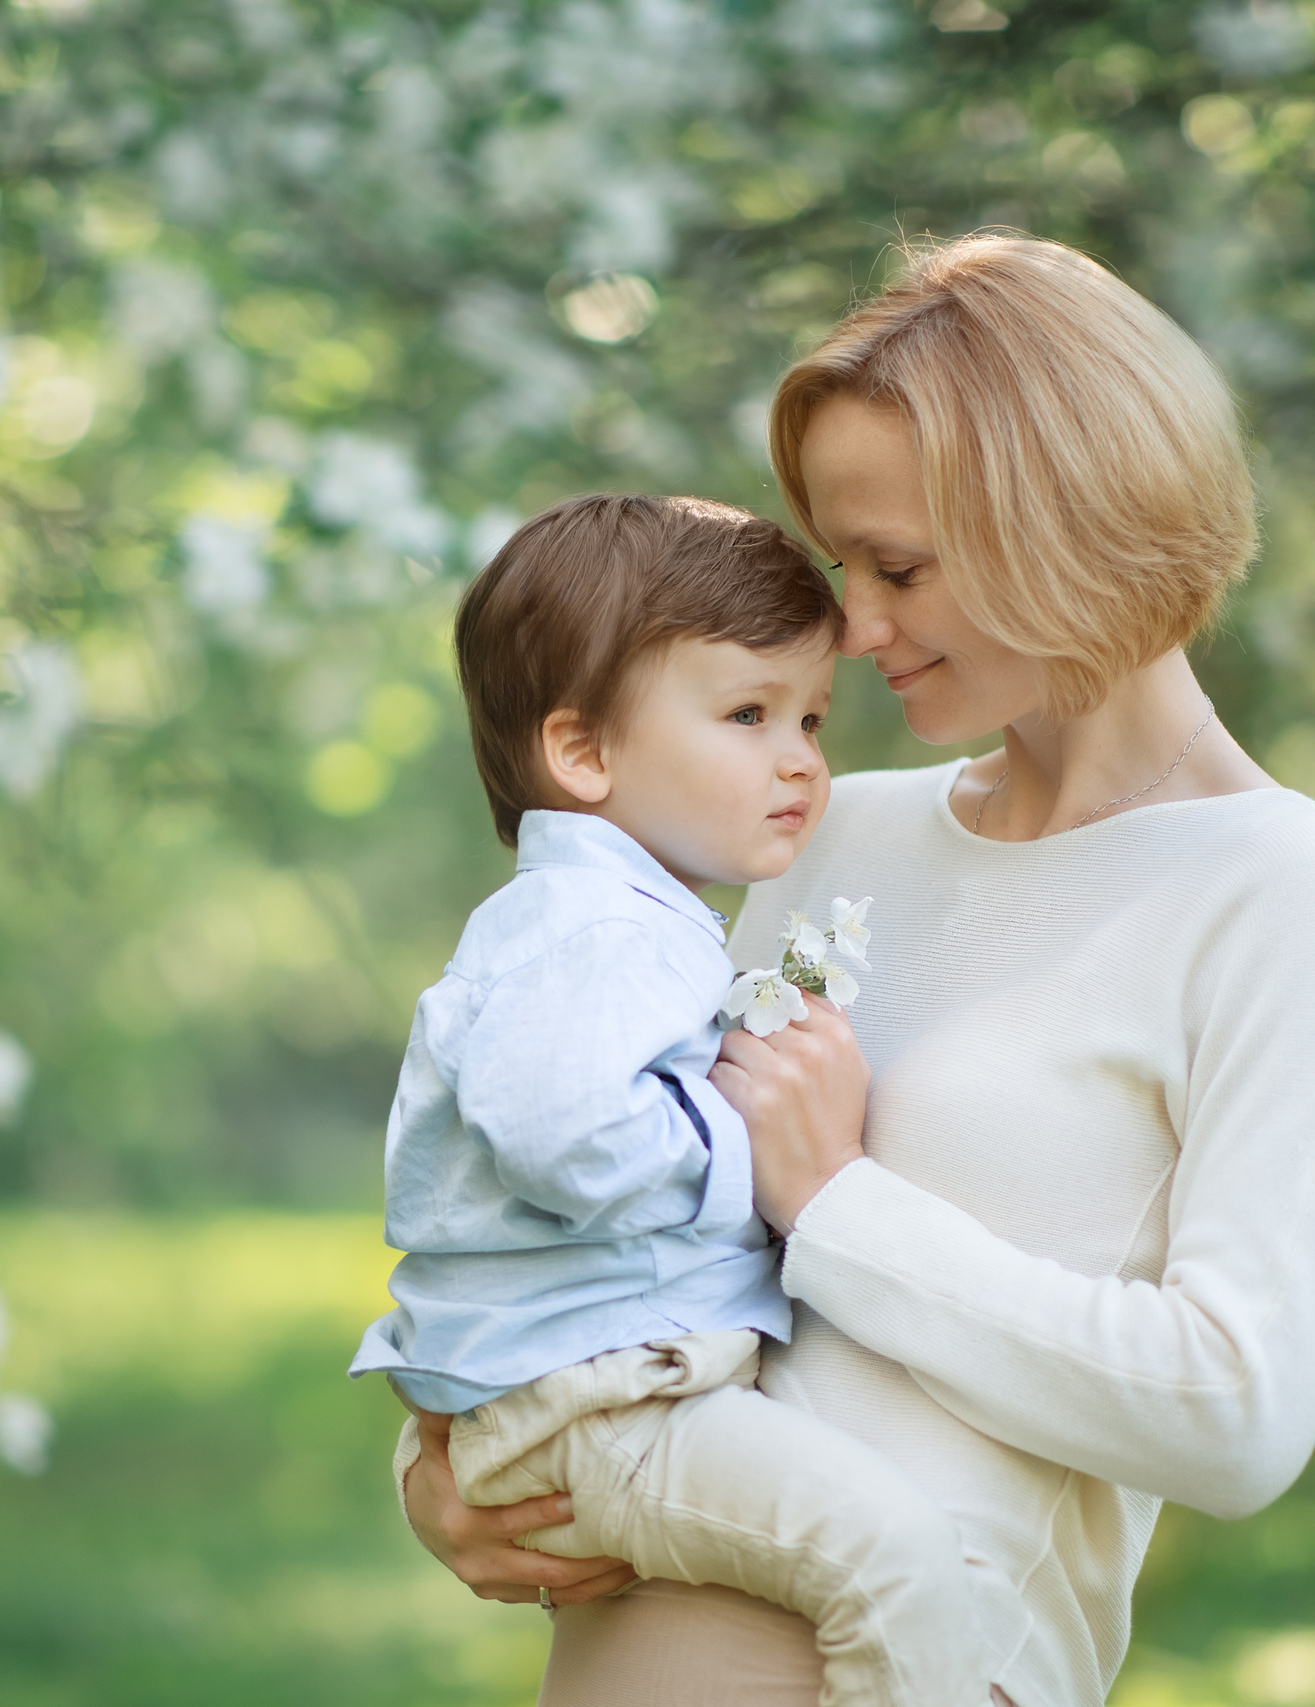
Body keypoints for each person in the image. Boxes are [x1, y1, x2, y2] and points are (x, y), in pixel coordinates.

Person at [399, 235, 1315, 1707]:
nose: (854, 631)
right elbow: (599, 1176)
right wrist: (448, 1457)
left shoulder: (1282, 885)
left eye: (900, 568)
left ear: (1064, 525)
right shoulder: (821, 836)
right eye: (840, 566)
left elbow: (1235, 1411)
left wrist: (839, 1205)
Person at [351, 491, 1029, 1706]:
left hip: (608, 1390)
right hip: (603, 1409)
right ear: (584, 752)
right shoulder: (587, 931)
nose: (801, 760)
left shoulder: (630, 919)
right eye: (748, 713)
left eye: (813, 718)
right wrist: (757, 1141)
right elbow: (565, 1135)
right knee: (898, 1565)